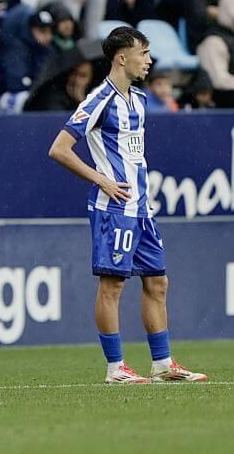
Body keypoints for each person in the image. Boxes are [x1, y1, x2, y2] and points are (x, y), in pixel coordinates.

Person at [47, 26, 207, 385]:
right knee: (113, 285)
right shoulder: (98, 100)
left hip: (141, 208)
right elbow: (58, 148)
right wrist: (100, 178)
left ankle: (163, 364)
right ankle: (115, 368)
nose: (149, 60)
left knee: (158, 282)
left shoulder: (139, 99)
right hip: (113, 206)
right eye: (144, 53)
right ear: (122, 57)